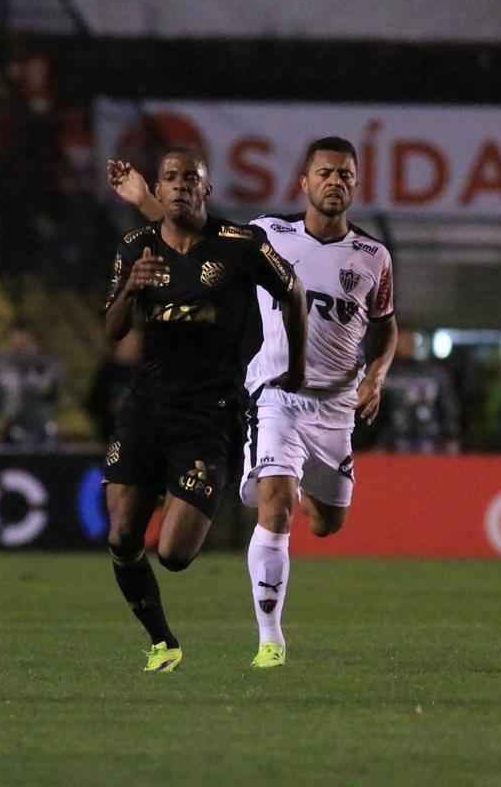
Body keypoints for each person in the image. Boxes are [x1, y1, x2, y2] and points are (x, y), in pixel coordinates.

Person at [108, 136, 397, 668]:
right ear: (304, 181)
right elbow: (193, 229)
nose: (336, 182)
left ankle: (266, 483)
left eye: (346, 175)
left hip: (335, 407)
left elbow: (385, 328)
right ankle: (271, 640)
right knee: (278, 509)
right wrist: (143, 200)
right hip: (276, 395)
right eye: (326, 173)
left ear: (356, 185)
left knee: (328, 523)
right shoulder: (267, 234)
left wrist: (375, 377)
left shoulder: (373, 256)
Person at [102, 147, 308, 673]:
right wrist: (131, 289)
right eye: (169, 178)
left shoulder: (240, 246)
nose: (180, 186)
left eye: (190, 179)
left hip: (209, 415)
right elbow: (112, 331)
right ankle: (162, 642)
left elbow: (294, 291)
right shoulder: (135, 248)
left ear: (206, 189)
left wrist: (298, 368)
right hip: (144, 408)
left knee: (173, 554)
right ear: (159, 188)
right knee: (122, 535)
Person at [358, 327, 460, 454]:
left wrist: (451, 436)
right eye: (401, 339)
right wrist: (373, 442)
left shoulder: (434, 374)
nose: (406, 344)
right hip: (394, 442)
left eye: (409, 340)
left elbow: (447, 407)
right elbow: (371, 412)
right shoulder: (381, 375)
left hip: (430, 440)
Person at [0, 321, 61, 446]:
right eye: (16, 337)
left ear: (31, 338)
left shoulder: (44, 363)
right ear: (9, 339)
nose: (20, 342)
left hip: (40, 427)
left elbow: (50, 392)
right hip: (9, 428)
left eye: (24, 338)